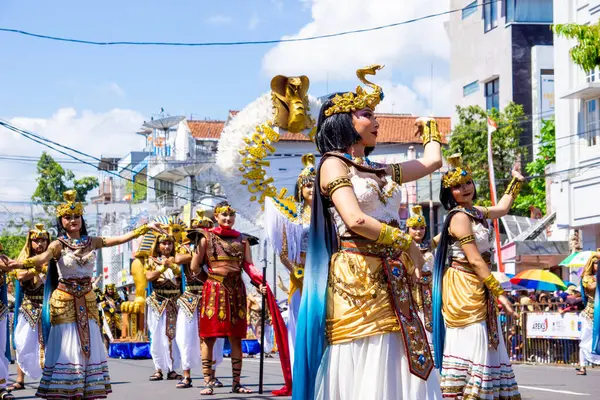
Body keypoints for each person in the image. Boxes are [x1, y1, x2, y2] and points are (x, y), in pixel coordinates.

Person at [293, 65, 444, 400]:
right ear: (344, 121)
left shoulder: (378, 169)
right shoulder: (334, 164)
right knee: (366, 348)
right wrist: (408, 244)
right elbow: (355, 219)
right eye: (367, 115)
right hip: (358, 274)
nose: (376, 122)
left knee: (400, 349)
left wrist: (431, 129)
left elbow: (432, 163)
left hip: (394, 273)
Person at [8, 190, 162, 399]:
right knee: (67, 348)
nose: (73, 220)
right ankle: (67, 390)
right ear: (61, 221)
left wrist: (144, 229)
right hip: (64, 303)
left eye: (76, 216)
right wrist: (20, 263)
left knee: (87, 347)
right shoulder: (58, 244)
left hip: (88, 302)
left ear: (81, 218)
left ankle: (83, 390)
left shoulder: (92, 241)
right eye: (68, 217)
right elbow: (42, 259)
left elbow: (119, 239)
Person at [432, 154, 523, 399]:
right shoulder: (460, 217)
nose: (465, 189)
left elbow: (502, 208)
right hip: (464, 286)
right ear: (449, 192)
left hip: (480, 283)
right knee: (475, 342)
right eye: (457, 186)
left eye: (468, 182)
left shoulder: (477, 212)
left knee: (488, 341)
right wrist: (499, 291)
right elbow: (473, 259)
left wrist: (516, 181)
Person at [189, 201, 291, 396]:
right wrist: (210, 282)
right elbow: (194, 268)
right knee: (209, 338)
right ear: (216, 217)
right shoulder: (205, 238)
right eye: (223, 215)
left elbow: (248, 266)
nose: (228, 219)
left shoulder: (242, 240)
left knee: (236, 337)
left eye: (231, 215)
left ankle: (236, 383)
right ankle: (208, 382)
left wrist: (259, 282)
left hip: (237, 292)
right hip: (213, 292)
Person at [264, 153, 315, 369]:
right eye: (307, 186)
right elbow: (284, 252)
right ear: (300, 189)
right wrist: (296, 270)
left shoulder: (330, 214)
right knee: (300, 321)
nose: (311, 190)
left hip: (325, 272)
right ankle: (299, 370)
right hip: (301, 275)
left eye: (315, 185)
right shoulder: (294, 217)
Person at [11, 224, 50, 391]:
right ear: (30, 242)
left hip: (49, 307)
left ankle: (49, 378)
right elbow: (19, 275)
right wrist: (37, 269)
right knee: (23, 343)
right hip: (29, 307)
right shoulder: (26, 259)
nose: (39, 244)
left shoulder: (53, 258)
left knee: (50, 345)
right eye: (36, 241)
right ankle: (20, 380)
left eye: (43, 240)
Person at [143, 229, 183, 383]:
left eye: (169, 243)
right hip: (157, 301)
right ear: (158, 245)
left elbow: (181, 276)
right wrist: (162, 267)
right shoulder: (152, 260)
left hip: (174, 301)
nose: (166, 246)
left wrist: (172, 265)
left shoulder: (178, 259)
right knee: (157, 335)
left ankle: (173, 369)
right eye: (163, 243)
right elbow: (149, 276)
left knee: (173, 336)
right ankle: (158, 369)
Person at [406, 205, 435, 342]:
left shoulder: (429, 245)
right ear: (408, 229)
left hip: (430, 289)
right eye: (414, 228)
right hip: (412, 289)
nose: (418, 231)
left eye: (422, 228)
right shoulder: (404, 247)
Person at [577, 251, 600, 375]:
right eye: (596, 263)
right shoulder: (587, 278)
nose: (598, 265)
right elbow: (591, 287)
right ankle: (582, 366)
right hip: (590, 314)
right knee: (585, 339)